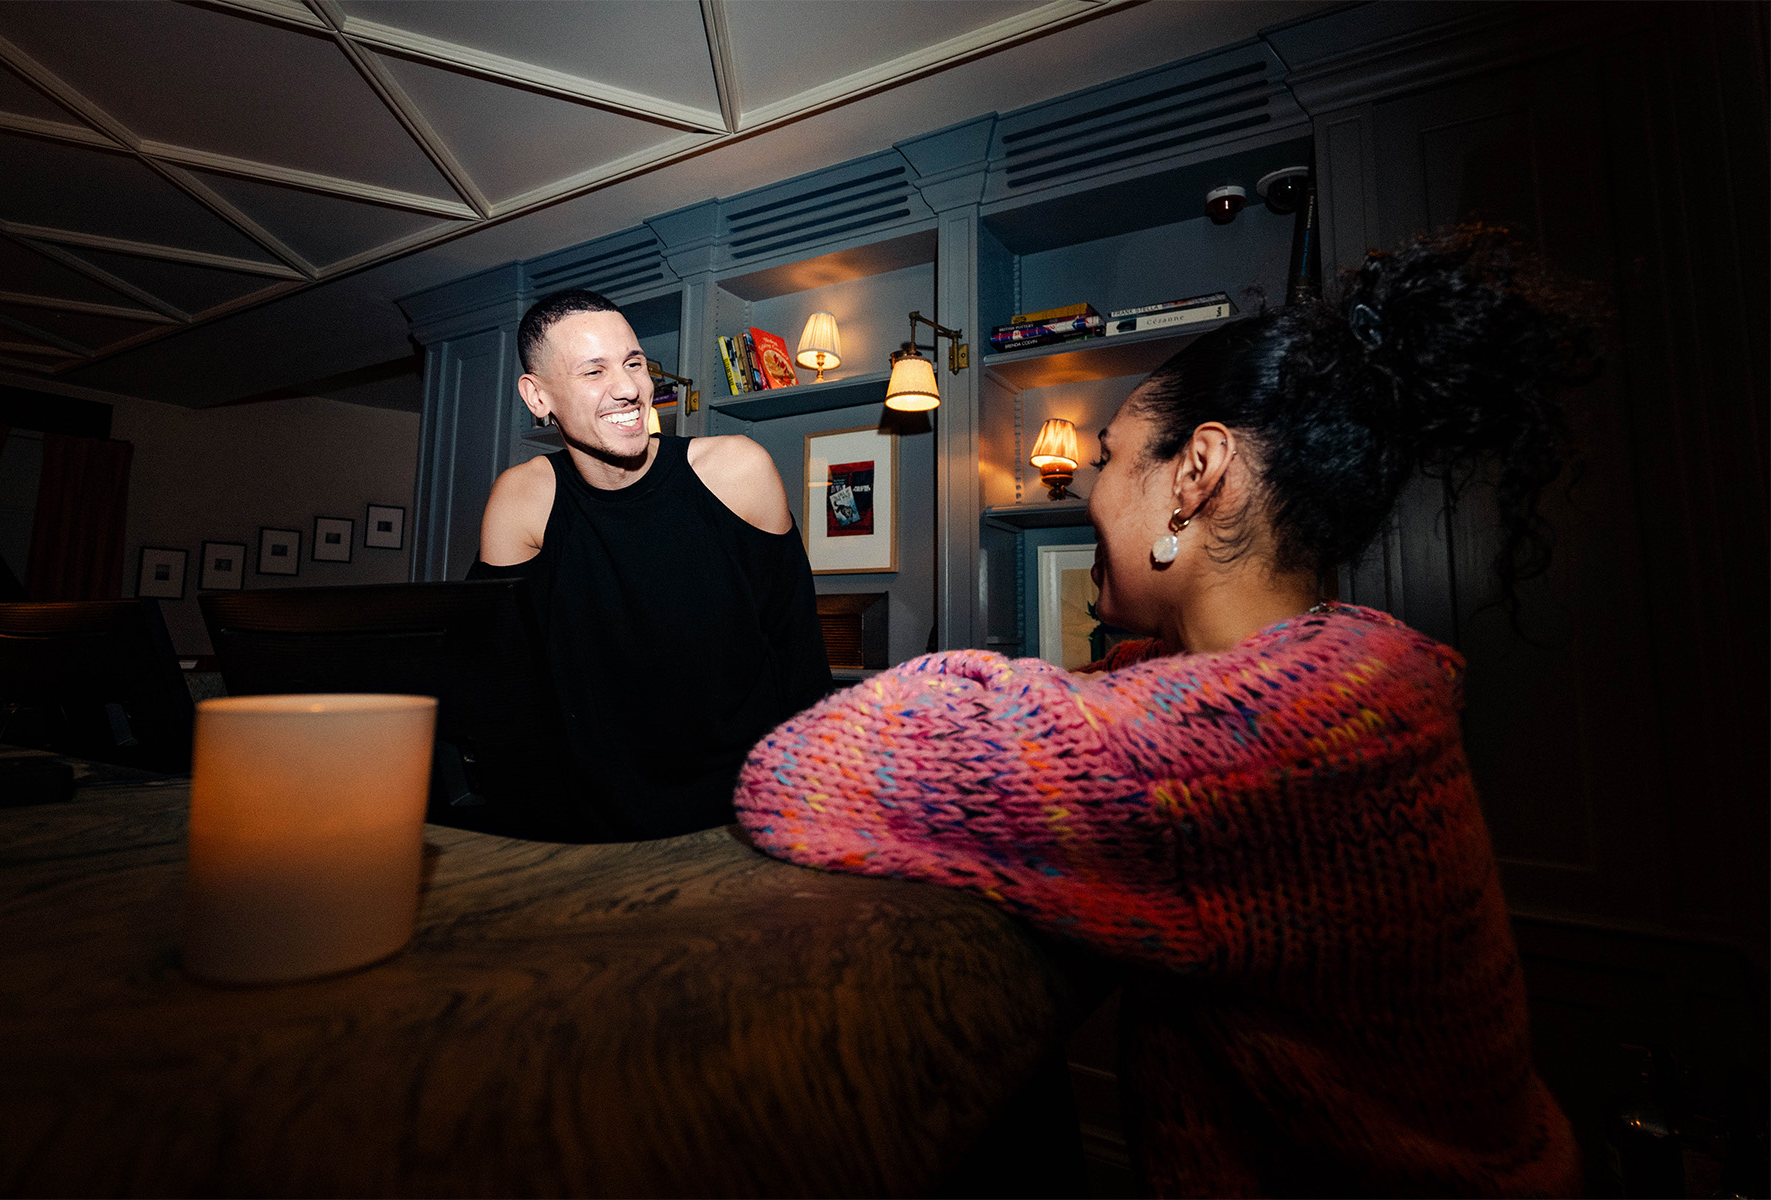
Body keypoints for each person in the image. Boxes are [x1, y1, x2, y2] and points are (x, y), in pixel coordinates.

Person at [735, 227, 1592, 1196]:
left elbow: (792, 775)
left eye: (1109, 457)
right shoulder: (1340, 681)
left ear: (1197, 473)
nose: (1093, 489)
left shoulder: (1263, 737)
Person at [475, 288, 832, 841]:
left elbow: (798, 655)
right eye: (593, 371)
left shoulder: (736, 470)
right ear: (537, 396)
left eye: (634, 363)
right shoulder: (522, 500)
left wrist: (811, 811)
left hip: (744, 815)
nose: (630, 388)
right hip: (592, 830)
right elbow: (503, 691)